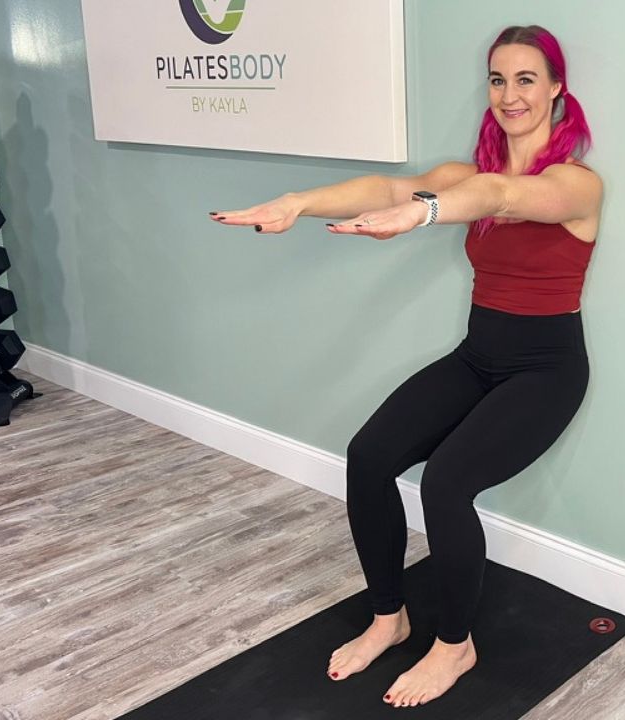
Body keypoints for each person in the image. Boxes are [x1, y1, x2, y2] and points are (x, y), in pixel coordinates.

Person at [211, 24, 601, 709]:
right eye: (498, 79)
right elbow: (384, 185)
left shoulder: (575, 183)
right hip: (479, 357)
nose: (510, 94)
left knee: (447, 484)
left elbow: (505, 200)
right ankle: (390, 619)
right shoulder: (465, 174)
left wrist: (421, 215)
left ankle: (455, 645)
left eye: (527, 79)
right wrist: (299, 203)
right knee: (369, 456)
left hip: (547, 369)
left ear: (557, 89)